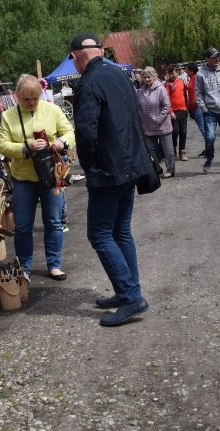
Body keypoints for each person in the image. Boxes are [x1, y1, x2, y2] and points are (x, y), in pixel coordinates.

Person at [70, 31, 151, 327]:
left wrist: (90, 165)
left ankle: (131, 297)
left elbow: (86, 133)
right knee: (120, 231)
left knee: (101, 234)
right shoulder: (119, 75)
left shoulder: (89, 83)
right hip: (130, 165)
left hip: (109, 170)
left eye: (74, 62)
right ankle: (127, 291)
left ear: (77, 56)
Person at [0, 74, 74, 281]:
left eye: (35, 98)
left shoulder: (52, 109)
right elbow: (2, 145)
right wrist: (26, 147)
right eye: (26, 99)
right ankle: (24, 266)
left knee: (54, 222)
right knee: (22, 226)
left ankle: (55, 265)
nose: (31, 103)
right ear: (17, 96)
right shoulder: (8, 116)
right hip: (23, 179)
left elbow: (69, 132)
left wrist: (61, 142)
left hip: (50, 177)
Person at [195, 48, 220, 174]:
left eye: (218, 56)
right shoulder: (201, 74)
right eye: (213, 56)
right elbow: (198, 93)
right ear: (207, 58)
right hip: (210, 112)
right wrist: (203, 107)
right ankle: (209, 157)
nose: (217, 58)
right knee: (210, 137)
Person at [136, 67, 174, 178]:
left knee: (168, 150)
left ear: (154, 76)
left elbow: (167, 106)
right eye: (145, 77)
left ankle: (170, 170)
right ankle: (157, 168)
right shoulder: (140, 91)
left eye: (149, 77)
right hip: (147, 126)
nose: (147, 79)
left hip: (162, 125)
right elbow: (138, 107)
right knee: (148, 149)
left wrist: (158, 119)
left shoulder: (161, 89)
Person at [164, 65, 189, 163]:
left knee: (183, 132)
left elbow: (185, 94)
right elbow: (165, 99)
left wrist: (187, 107)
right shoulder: (167, 84)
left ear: (177, 72)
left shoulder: (181, 82)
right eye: (170, 73)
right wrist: (170, 111)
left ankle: (182, 152)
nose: (171, 75)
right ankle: (173, 146)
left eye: (173, 73)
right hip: (173, 112)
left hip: (182, 110)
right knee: (175, 132)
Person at [185, 62, 206, 156]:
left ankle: (209, 148)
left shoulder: (196, 78)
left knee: (203, 128)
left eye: (187, 69)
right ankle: (208, 147)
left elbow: (199, 91)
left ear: (191, 70)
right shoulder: (192, 78)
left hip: (197, 107)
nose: (185, 71)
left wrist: (195, 101)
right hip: (194, 107)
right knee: (202, 127)